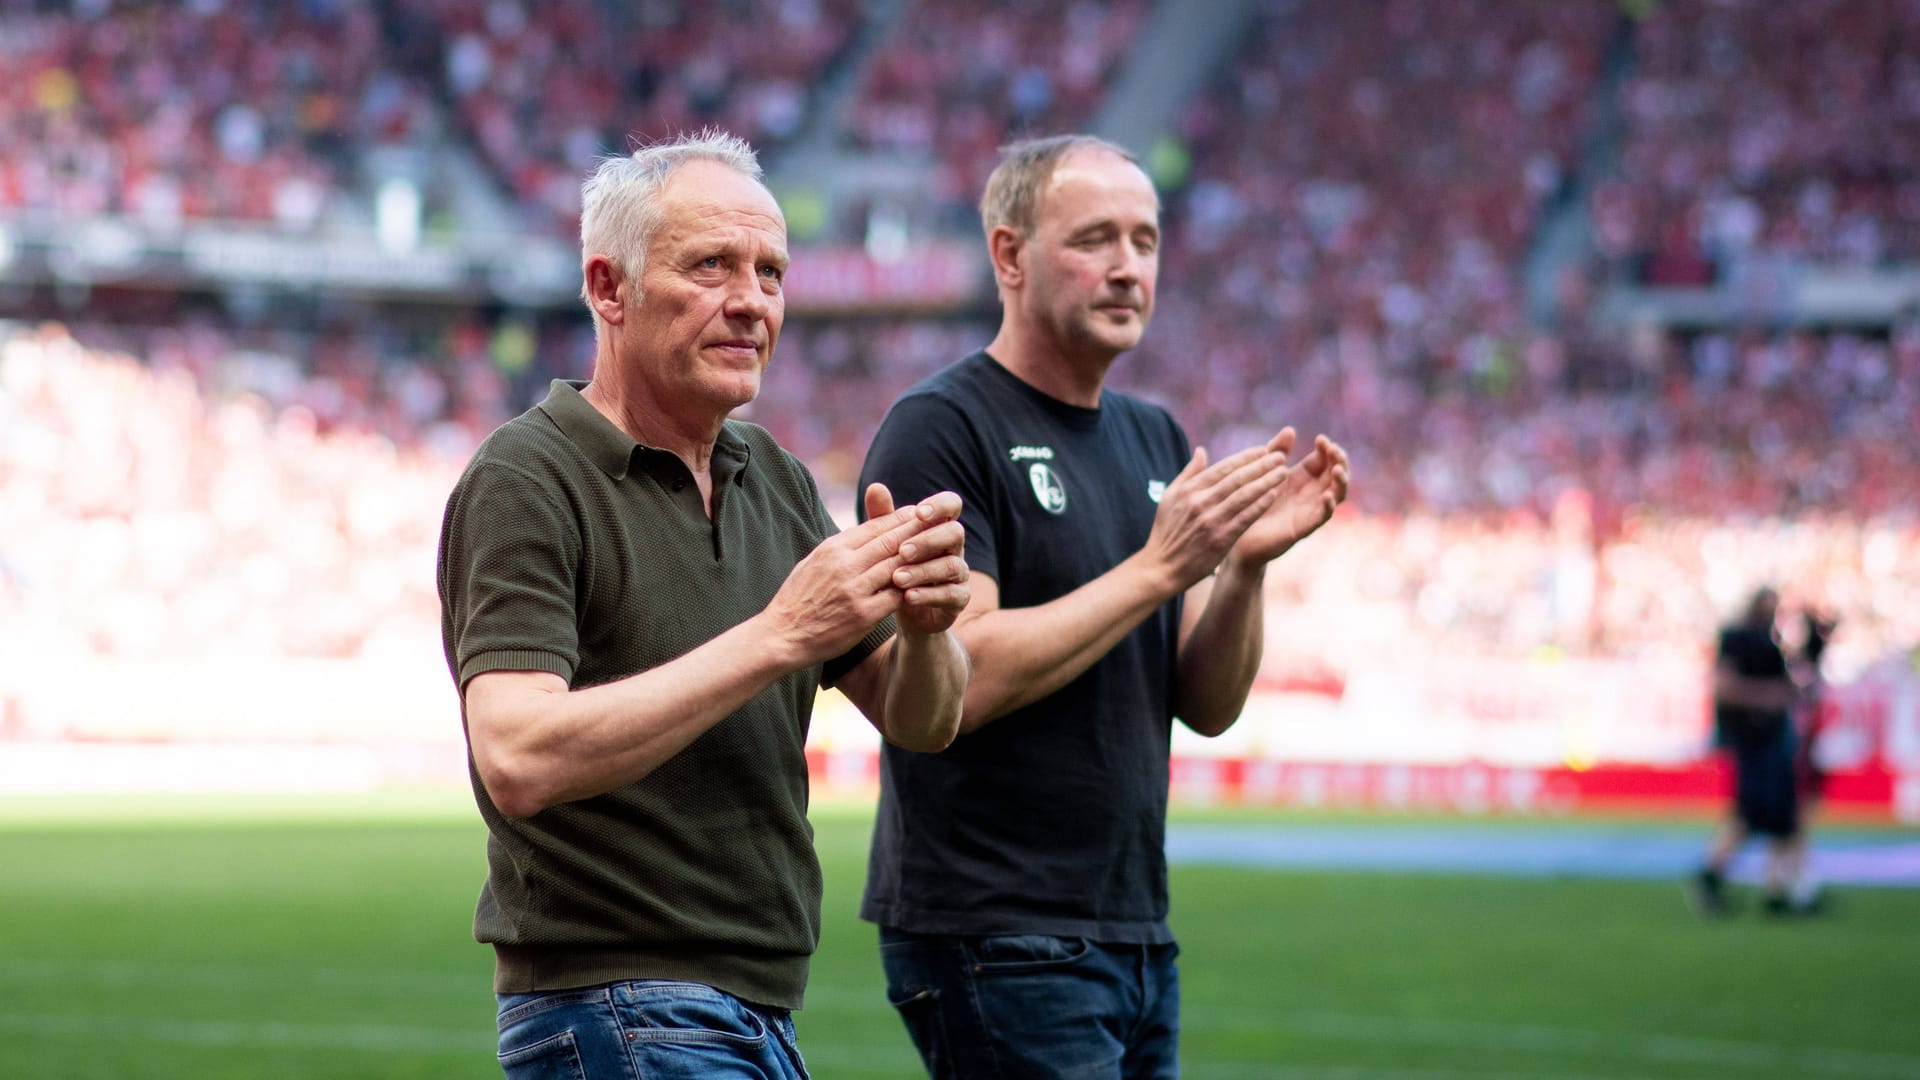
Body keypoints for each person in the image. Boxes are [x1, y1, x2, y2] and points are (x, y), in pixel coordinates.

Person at [436, 130, 973, 1080]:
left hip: (756, 1005)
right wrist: (778, 635)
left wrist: (930, 629)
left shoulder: (776, 477)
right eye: (712, 266)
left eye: (771, 272)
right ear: (610, 288)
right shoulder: (529, 476)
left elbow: (923, 720)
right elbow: (517, 753)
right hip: (618, 1001)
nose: (752, 302)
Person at [855, 134, 1351, 1078]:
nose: (1129, 268)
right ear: (1009, 256)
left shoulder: (1153, 432)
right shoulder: (943, 427)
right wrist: (1161, 570)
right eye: (1096, 239)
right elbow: (960, 679)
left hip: (1130, 925)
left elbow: (1206, 704)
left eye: (1146, 241)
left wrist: (1242, 569)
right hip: (996, 927)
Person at [1691, 586, 1821, 917]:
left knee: (1783, 814)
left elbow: (1793, 689)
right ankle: (1712, 876)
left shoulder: (1771, 644)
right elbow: (1726, 687)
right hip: (1754, 741)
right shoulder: (1738, 639)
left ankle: (1775, 889)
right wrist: (1768, 696)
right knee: (1752, 811)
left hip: (1774, 741)